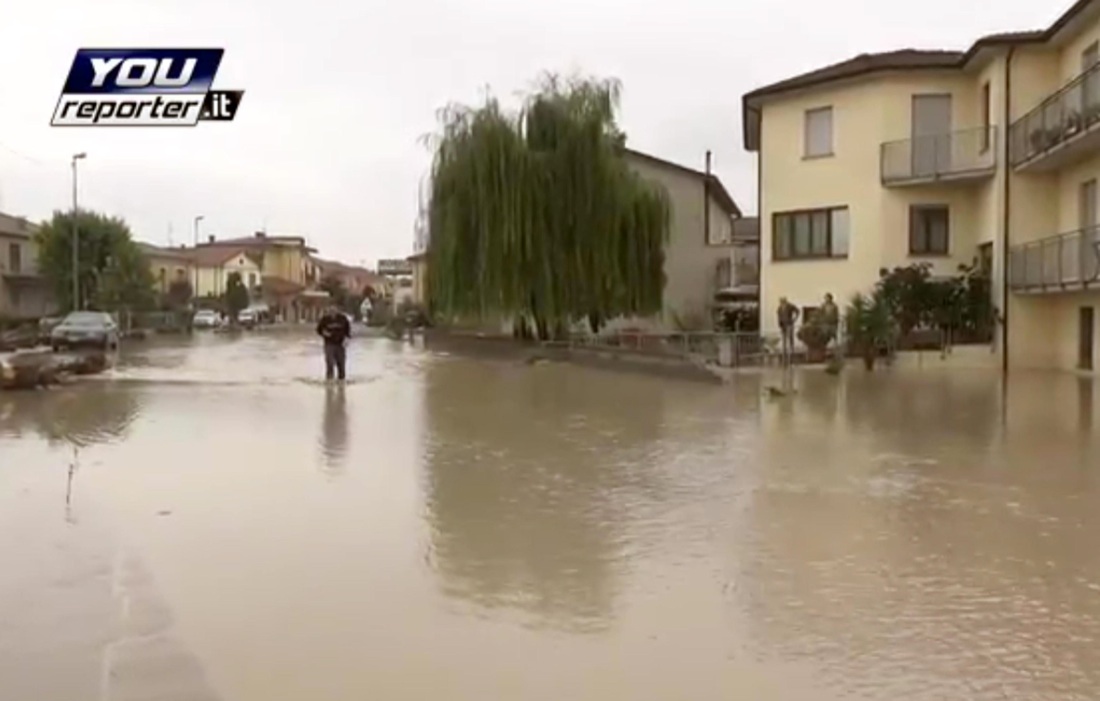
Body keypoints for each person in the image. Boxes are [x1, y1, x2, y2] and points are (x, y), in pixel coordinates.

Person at [316, 305, 352, 381]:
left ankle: (341, 381)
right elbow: (319, 330)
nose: (332, 312)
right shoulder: (325, 319)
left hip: (340, 344)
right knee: (330, 363)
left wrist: (347, 339)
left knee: (341, 364)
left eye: (334, 310)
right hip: (329, 344)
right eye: (331, 310)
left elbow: (348, 331)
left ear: (337, 310)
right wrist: (324, 333)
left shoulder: (343, 319)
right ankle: (329, 381)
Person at [777, 297, 800, 362]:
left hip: (789, 324)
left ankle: (791, 354)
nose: (782, 303)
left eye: (783, 302)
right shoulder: (779, 308)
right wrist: (779, 324)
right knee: (784, 340)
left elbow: (797, 311)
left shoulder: (790, 306)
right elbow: (779, 317)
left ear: (785, 301)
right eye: (781, 302)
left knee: (790, 339)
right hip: (783, 325)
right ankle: (785, 355)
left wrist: (794, 319)